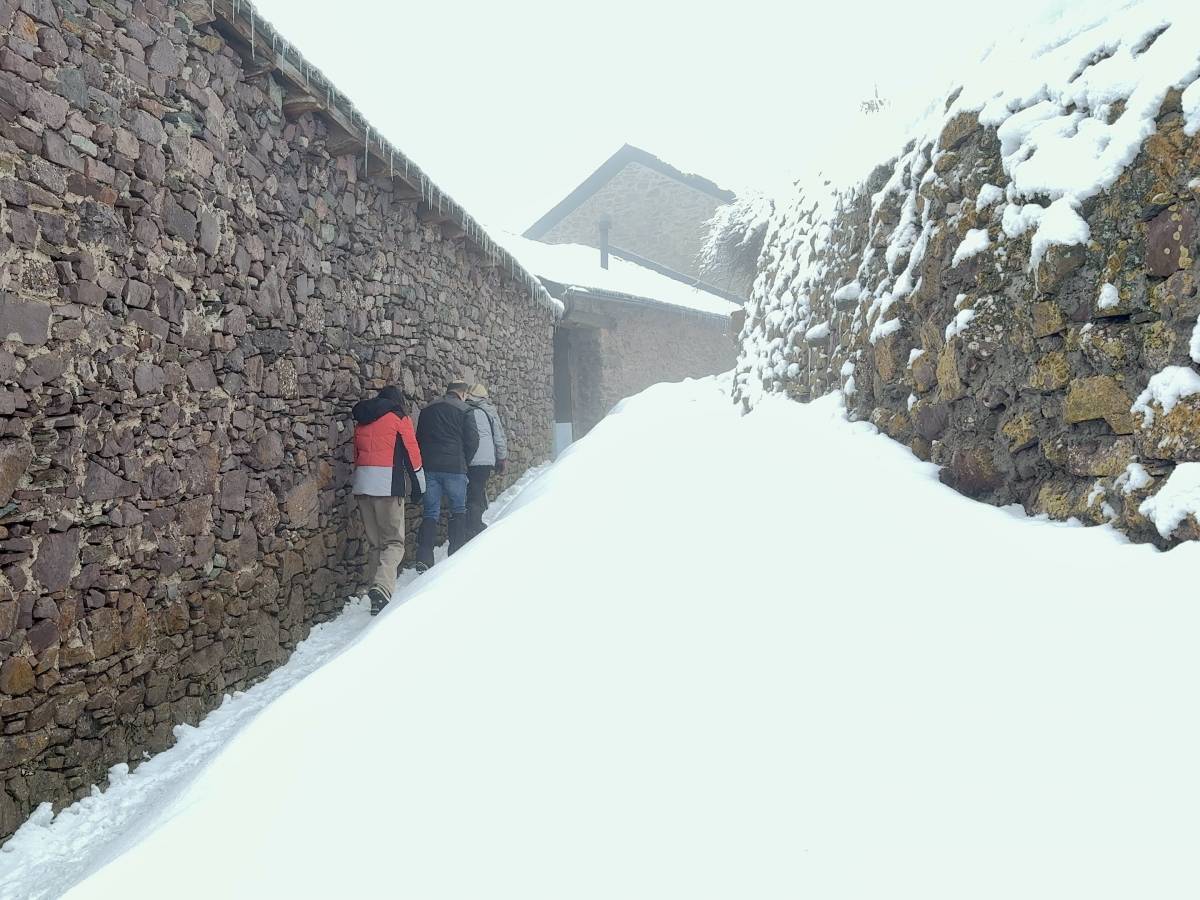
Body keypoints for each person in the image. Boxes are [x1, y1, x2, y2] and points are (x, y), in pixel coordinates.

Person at [351, 386, 424, 615]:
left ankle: (376, 597)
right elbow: (412, 454)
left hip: (363, 484)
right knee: (393, 542)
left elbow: (357, 454)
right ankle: (382, 588)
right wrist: (419, 487)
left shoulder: (363, 418)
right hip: (388, 485)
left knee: (376, 544)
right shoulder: (399, 418)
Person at [414, 380, 479, 570]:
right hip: (455, 467)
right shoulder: (466, 410)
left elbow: (419, 437)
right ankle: (456, 554)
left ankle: (424, 557)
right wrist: (464, 460)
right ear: (463, 393)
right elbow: (473, 440)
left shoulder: (427, 409)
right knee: (458, 509)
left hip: (430, 467)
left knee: (430, 512)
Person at [464, 383, 509, 541]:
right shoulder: (489, 410)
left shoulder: (463, 408)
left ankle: (470, 525)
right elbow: (498, 435)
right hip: (485, 459)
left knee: (471, 491)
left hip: (467, 458)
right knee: (477, 491)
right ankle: (475, 527)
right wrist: (502, 457)